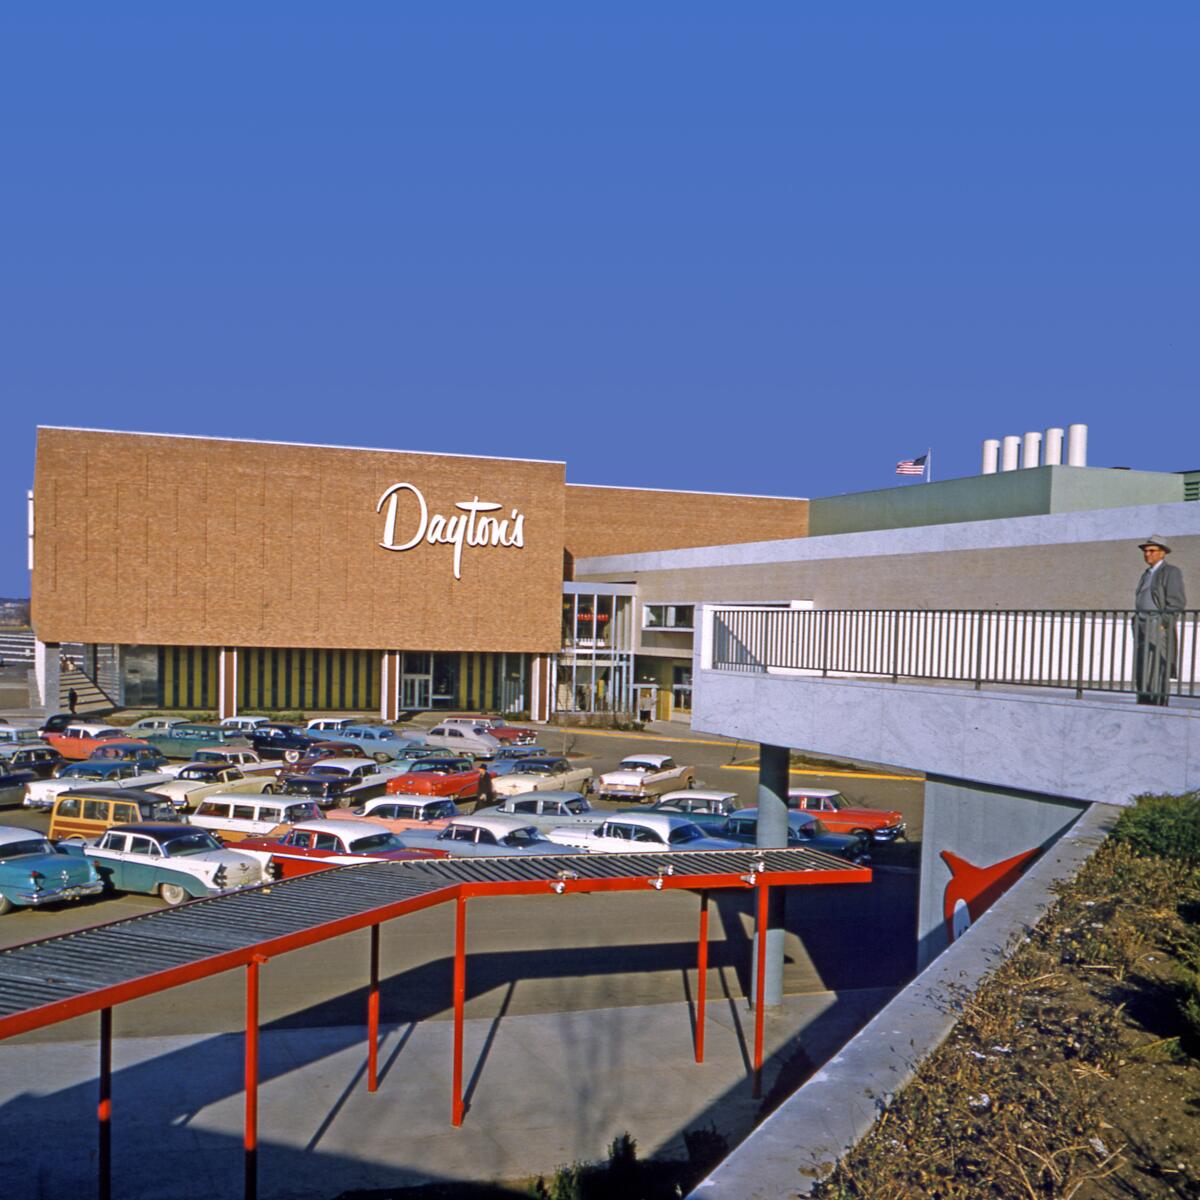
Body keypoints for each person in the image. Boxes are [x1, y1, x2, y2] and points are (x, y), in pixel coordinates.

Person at [1133, 535, 1186, 706]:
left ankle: (1158, 702)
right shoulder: (1147, 573)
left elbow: (1176, 602)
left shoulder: (1171, 572)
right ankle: (1144, 699)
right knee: (1142, 664)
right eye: (1145, 551)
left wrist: (1163, 623)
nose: (1147, 554)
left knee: (1157, 664)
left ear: (1162, 553)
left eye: (1152, 551)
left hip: (1157, 624)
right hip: (1141, 623)